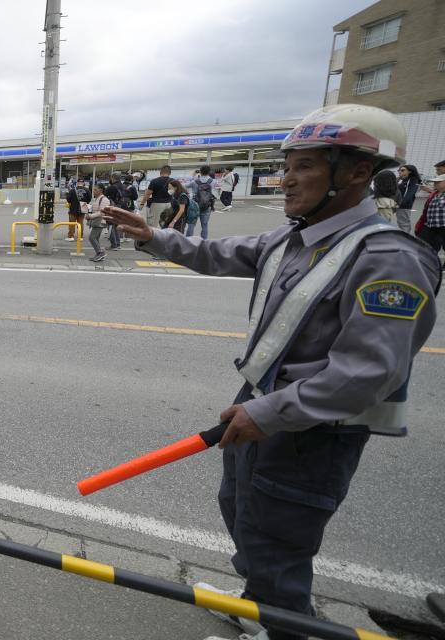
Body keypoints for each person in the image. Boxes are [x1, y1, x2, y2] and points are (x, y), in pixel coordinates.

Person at [102, 104, 440, 640]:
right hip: (259, 409)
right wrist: (151, 236)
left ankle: (284, 623)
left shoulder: (388, 257)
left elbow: (368, 372)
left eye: (307, 166)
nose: (287, 179)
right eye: (288, 165)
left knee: (278, 546)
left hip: (309, 433)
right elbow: (216, 252)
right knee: (245, 518)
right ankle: (258, 606)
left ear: (356, 173)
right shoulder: (293, 237)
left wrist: (269, 411)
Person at [416, 174, 445, 254]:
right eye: (434, 182)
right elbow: (425, 211)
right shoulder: (435, 194)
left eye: (438, 182)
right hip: (430, 226)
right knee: (423, 246)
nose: (435, 184)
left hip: (442, 227)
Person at [186, 165, 216, 239]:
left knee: (191, 224)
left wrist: (193, 176)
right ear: (209, 172)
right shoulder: (213, 181)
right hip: (207, 205)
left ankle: (188, 241)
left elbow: (185, 185)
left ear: (200, 171)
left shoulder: (194, 181)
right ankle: (204, 241)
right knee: (205, 225)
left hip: (194, 205)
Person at [86, 184, 110, 261]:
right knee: (96, 238)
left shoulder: (104, 199)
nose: (94, 191)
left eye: (96, 190)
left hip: (100, 221)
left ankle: (100, 253)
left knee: (92, 237)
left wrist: (90, 216)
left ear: (101, 190)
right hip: (97, 221)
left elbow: (101, 212)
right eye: (94, 189)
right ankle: (99, 254)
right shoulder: (98, 198)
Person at [396, 164, 422, 233]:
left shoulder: (412, 180)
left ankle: (405, 239)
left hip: (404, 204)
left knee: (403, 223)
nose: (400, 172)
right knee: (401, 222)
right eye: (399, 170)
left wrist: (401, 203)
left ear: (410, 171)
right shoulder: (403, 179)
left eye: (402, 170)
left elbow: (409, 193)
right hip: (398, 203)